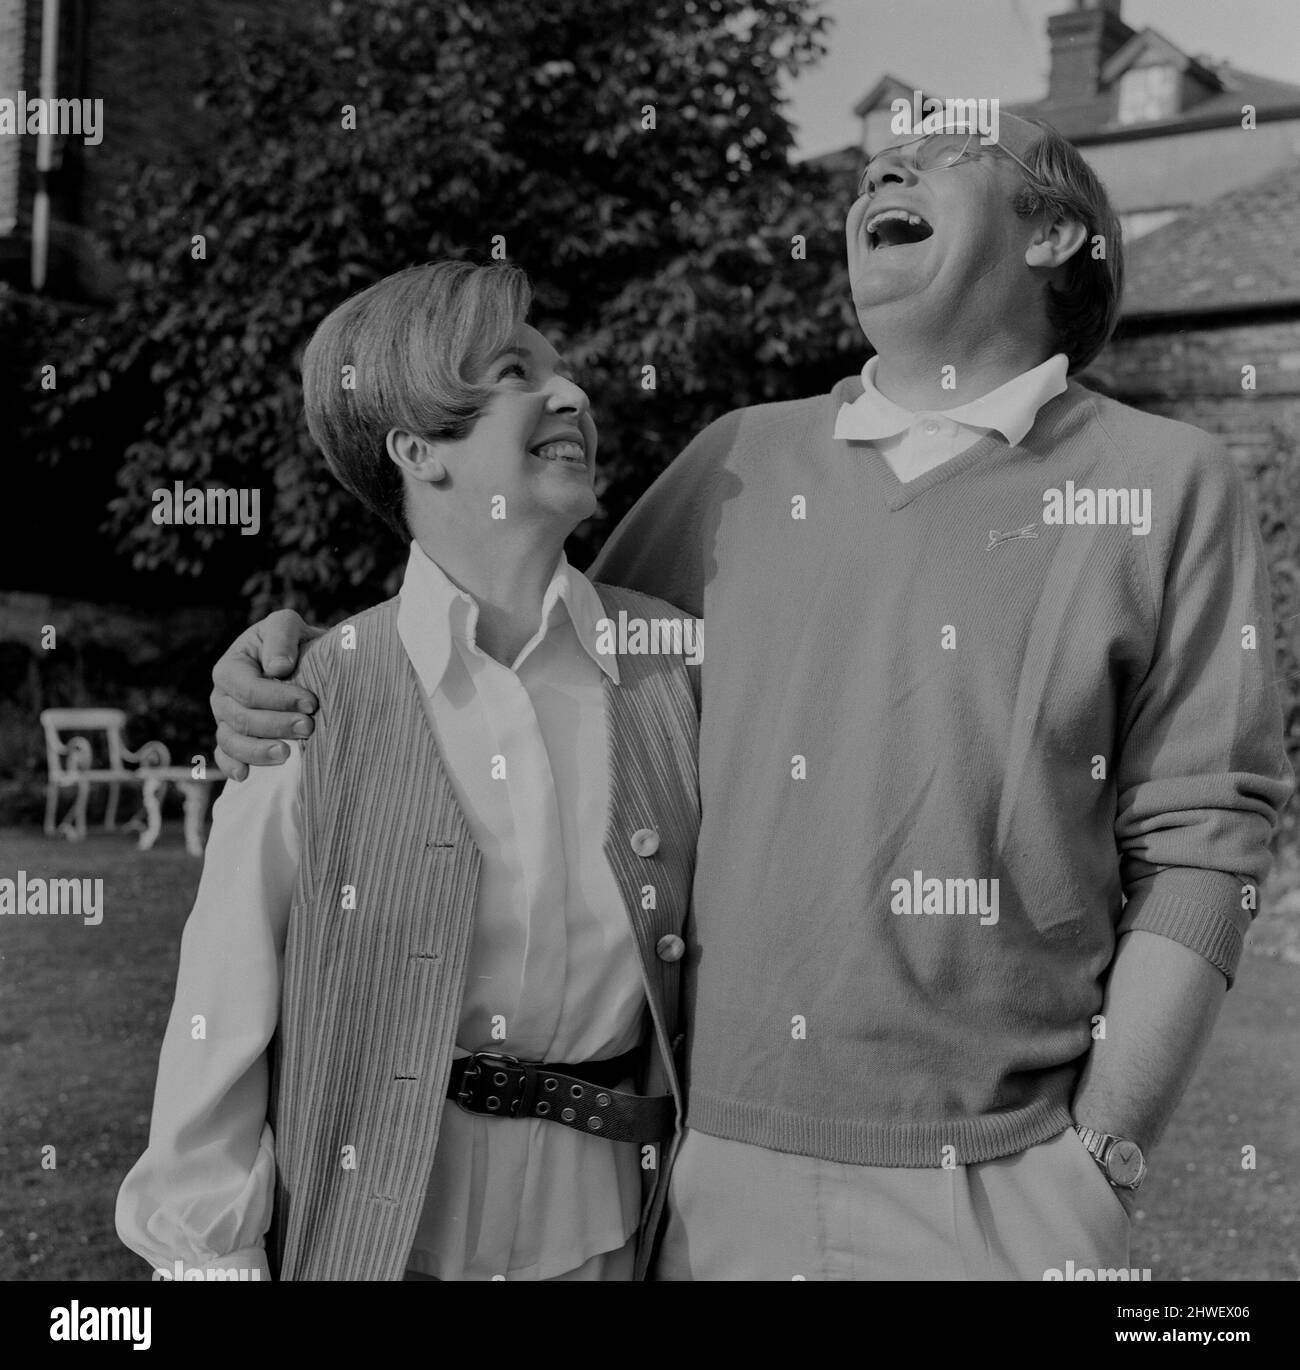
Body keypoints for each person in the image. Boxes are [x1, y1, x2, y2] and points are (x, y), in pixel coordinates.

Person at [210, 115, 1294, 1280]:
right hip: (714, 1175)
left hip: (1004, 1188)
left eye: (945, 155)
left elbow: (1206, 845)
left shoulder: (1170, 484)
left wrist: (1102, 1153)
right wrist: (302, 663)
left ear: (1056, 234)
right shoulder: (737, 461)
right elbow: (532, 647)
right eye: (880, 156)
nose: (884, 166)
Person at [117, 260, 700, 1282]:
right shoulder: (311, 695)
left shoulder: (680, 667)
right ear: (417, 448)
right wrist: (208, 1256)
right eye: (517, 370)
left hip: (616, 1234)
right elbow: (222, 1007)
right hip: (374, 1240)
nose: (571, 394)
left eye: (561, 370)